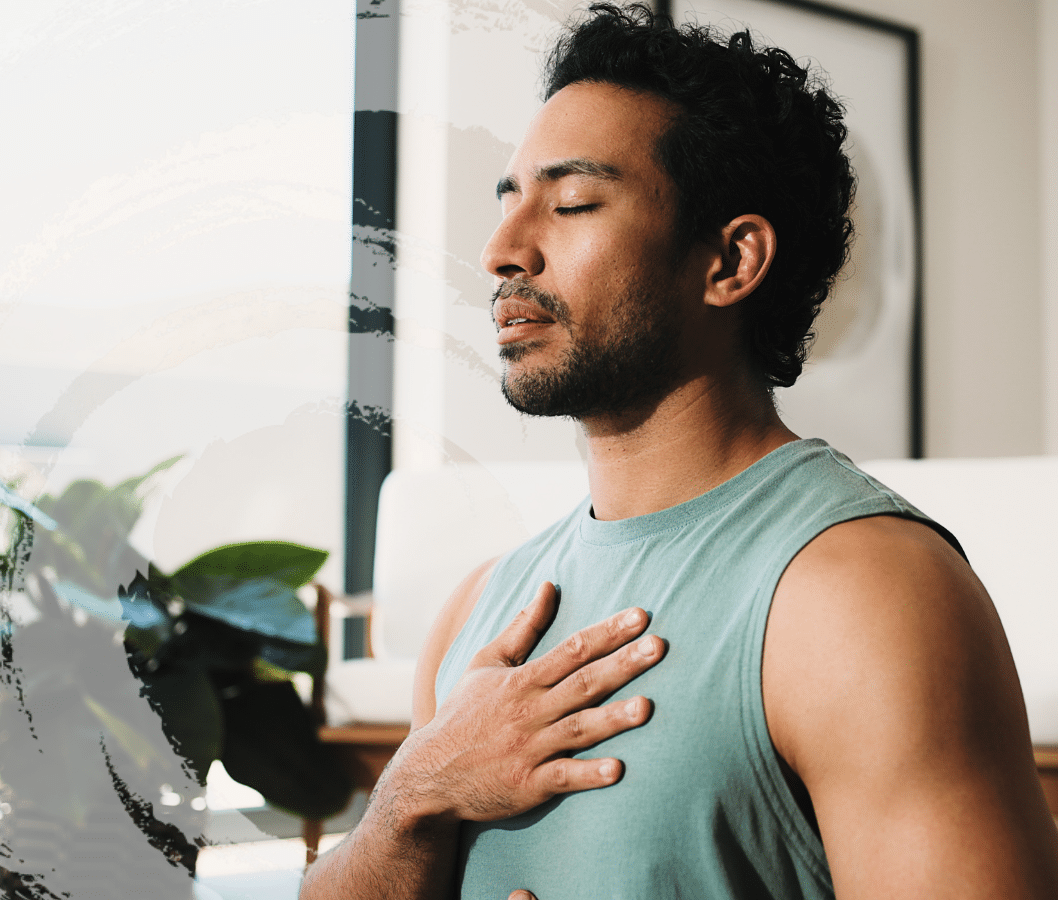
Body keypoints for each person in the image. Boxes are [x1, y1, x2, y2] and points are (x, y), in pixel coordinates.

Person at [300, 4, 1058, 897]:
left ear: (731, 262)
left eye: (574, 202)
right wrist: (410, 798)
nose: (501, 250)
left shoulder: (868, 597)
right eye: (508, 205)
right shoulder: (479, 608)